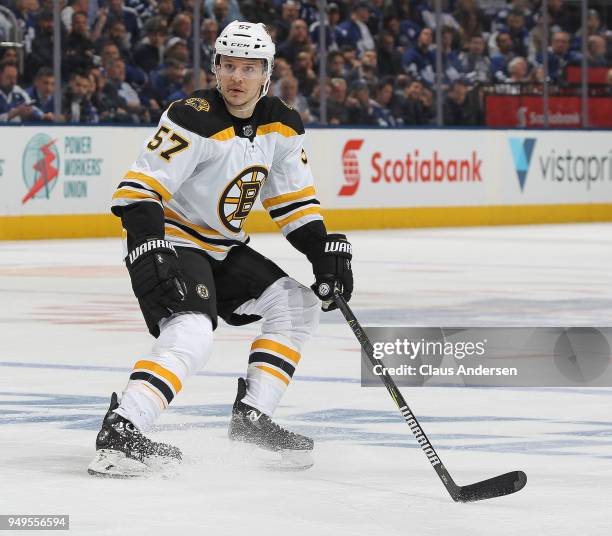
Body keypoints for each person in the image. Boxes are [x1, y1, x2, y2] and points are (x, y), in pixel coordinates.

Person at [88, 21, 353, 478]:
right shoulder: (191, 117)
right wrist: (150, 248)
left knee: (297, 304)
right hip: (174, 240)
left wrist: (324, 253)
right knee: (192, 332)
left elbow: (293, 205)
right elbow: (139, 192)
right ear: (215, 67)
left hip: (223, 246)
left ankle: (253, 417)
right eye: (228, 66)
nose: (237, 77)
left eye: (249, 68)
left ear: (266, 74)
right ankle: (123, 428)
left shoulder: (283, 124)